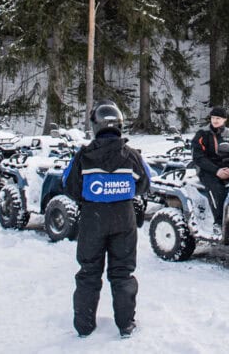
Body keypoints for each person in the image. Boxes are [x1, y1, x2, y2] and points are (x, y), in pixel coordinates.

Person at [62, 100, 150, 339]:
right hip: (123, 218)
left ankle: (84, 326)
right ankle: (126, 324)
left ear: (95, 125)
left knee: (89, 271)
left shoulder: (84, 155)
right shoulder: (131, 155)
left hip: (94, 218)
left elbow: (69, 185)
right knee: (122, 273)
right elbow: (145, 183)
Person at [190, 105, 229, 224]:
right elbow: (198, 157)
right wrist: (216, 171)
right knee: (218, 190)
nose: (215, 120)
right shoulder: (202, 134)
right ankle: (220, 223)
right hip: (207, 170)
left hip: (227, 168)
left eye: (218, 118)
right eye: (213, 117)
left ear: (224, 120)